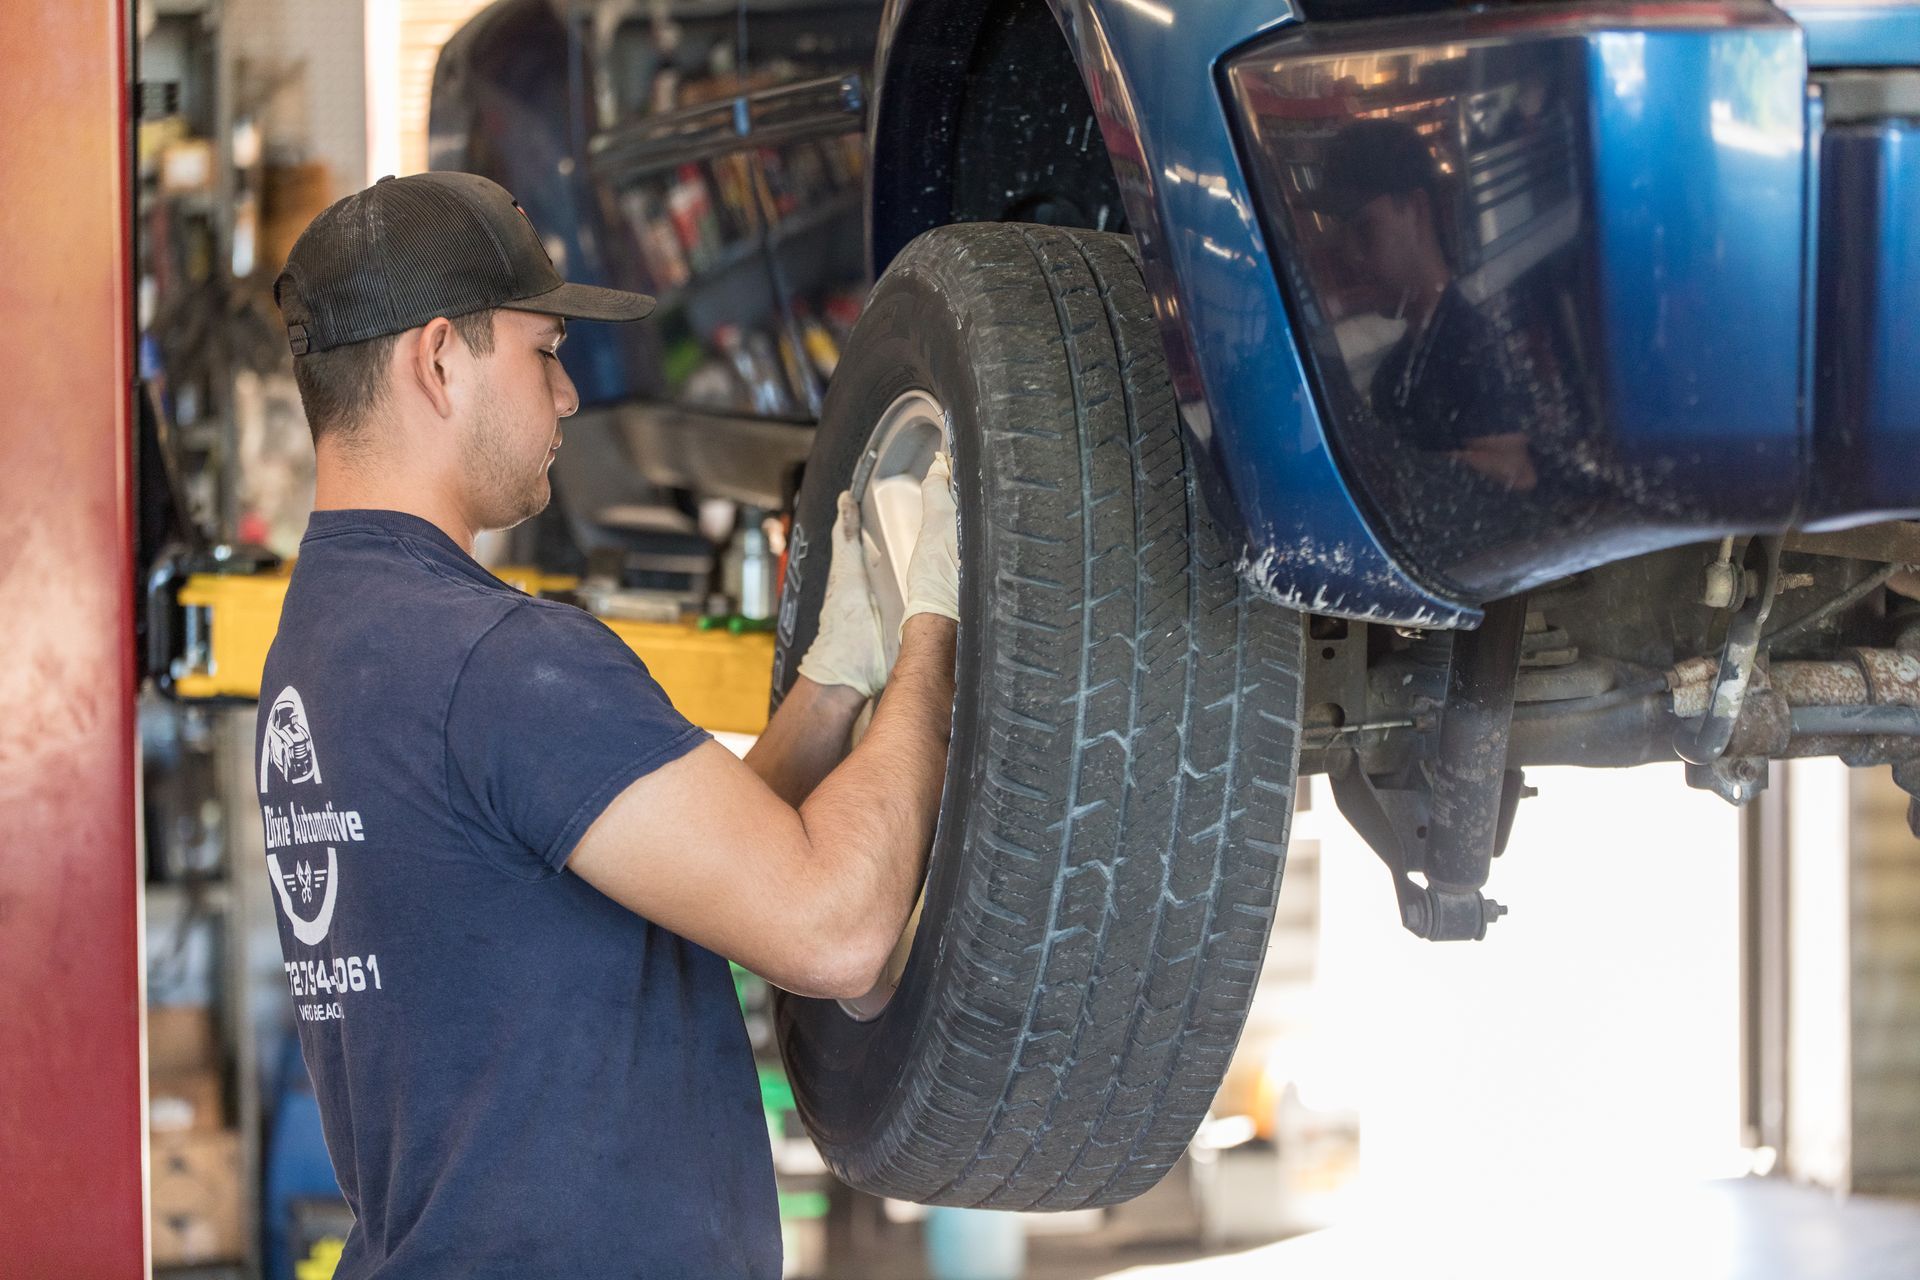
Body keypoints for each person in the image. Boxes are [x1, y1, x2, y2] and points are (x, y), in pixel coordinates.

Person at [257, 171, 957, 1278]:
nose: (571, 396)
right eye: (543, 351)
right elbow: (835, 928)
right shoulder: (496, 661)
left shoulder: (330, 643)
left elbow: (670, 868)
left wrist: (833, 683)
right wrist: (933, 629)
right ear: (438, 360)